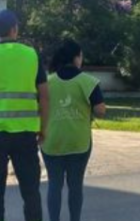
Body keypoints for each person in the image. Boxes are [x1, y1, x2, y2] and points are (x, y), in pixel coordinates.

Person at [0, 10, 50, 221]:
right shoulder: (32, 55)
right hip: (25, 135)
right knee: (31, 193)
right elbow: (44, 97)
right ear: (14, 28)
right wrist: (43, 128)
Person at [42, 39, 106, 221]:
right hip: (79, 142)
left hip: (51, 141)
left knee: (54, 184)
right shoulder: (88, 82)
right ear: (76, 57)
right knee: (75, 185)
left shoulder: (48, 82)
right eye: (81, 56)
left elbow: (39, 108)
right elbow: (100, 111)